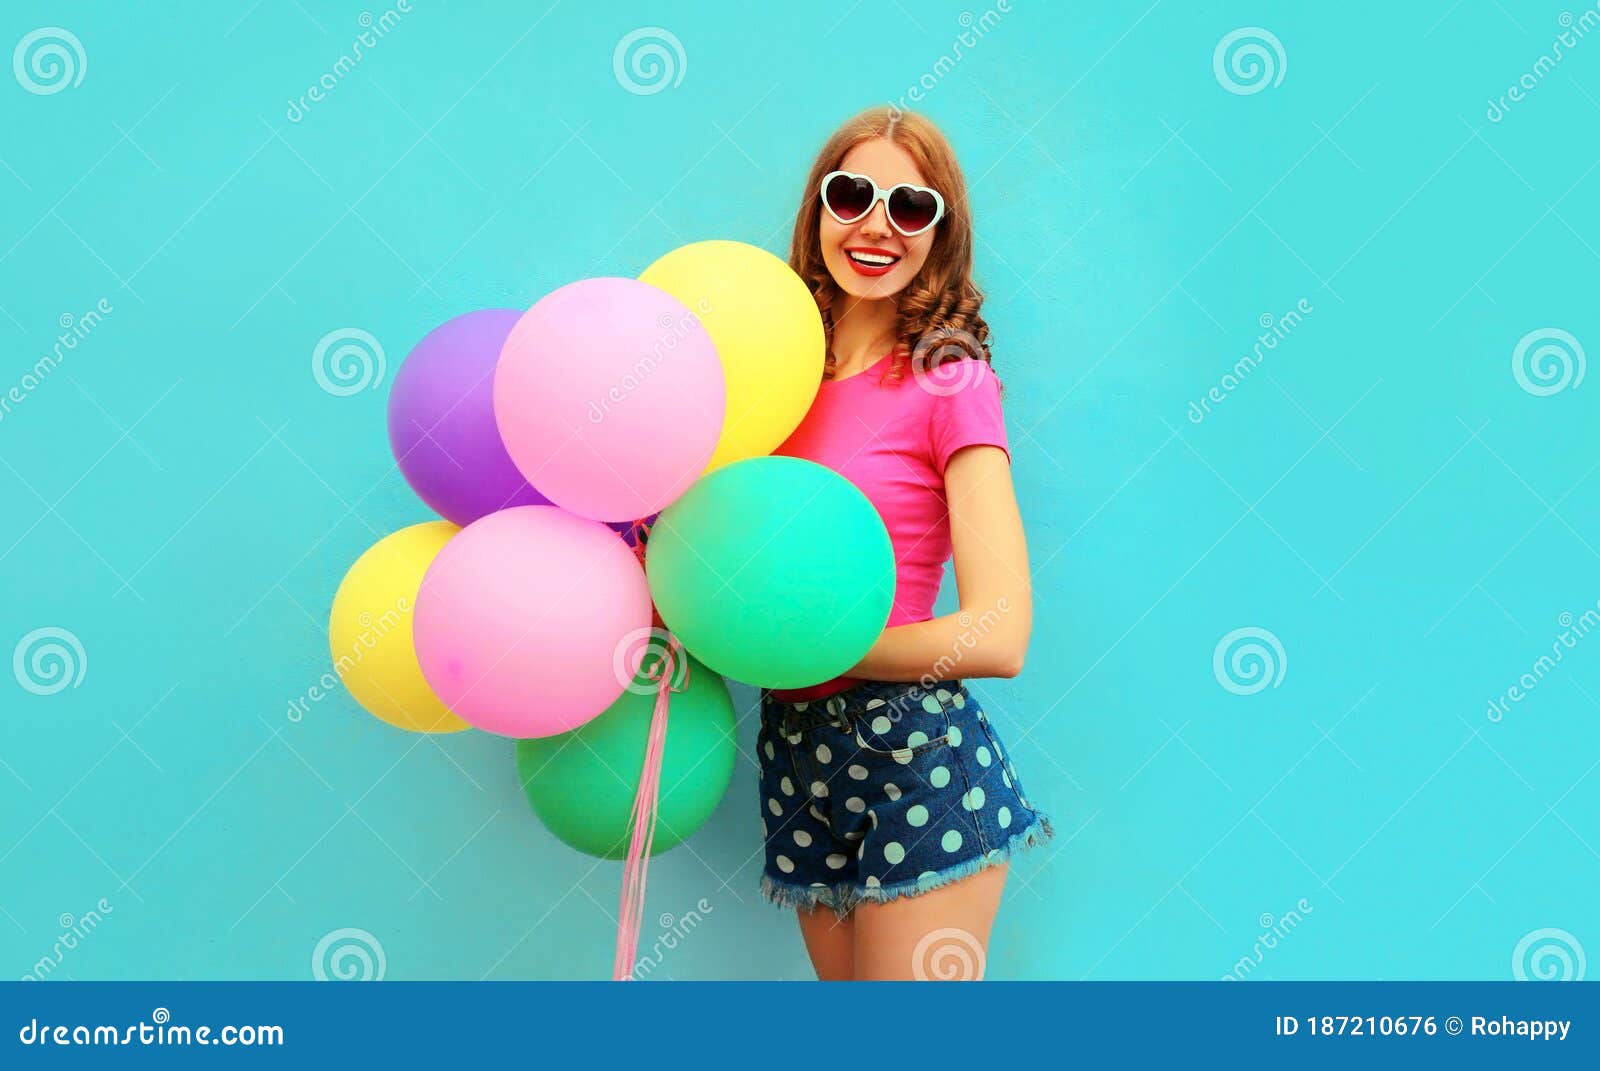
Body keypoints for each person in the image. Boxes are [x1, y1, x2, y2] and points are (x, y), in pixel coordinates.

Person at [756, 106, 1051, 981]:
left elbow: (1000, 632)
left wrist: (822, 647)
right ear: (817, 210)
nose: (877, 224)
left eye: (910, 207)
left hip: (915, 754)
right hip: (793, 754)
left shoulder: (950, 380)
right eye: (852, 194)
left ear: (940, 233)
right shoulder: (767, 390)